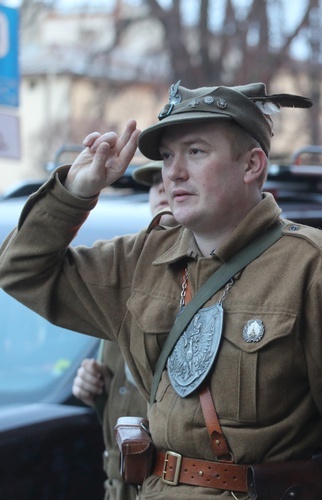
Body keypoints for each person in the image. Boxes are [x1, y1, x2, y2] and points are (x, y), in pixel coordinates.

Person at [0, 81, 322, 499]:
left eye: (195, 151)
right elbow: (20, 270)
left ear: (252, 165)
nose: (174, 171)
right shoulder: (142, 259)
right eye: (169, 155)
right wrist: (74, 194)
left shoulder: (316, 267)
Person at [71, 160, 173, 500]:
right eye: (155, 181)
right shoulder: (129, 274)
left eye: (170, 176)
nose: (162, 187)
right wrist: (97, 391)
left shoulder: (198, 275)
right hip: (121, 485)